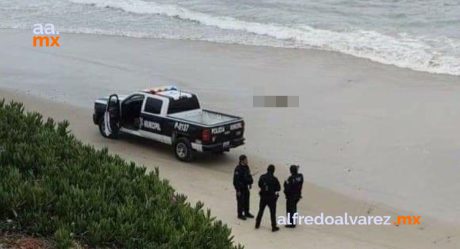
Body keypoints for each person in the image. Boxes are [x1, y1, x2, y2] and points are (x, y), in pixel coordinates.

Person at [255, 164, 281, 232]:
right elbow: (279, 188)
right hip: (271, 198)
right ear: (273, 171)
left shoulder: (262, 177)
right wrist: (273, 189)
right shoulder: (275, 179)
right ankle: (273, 226)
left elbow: (259, 184)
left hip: (263, 196)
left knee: (261, 210)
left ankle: (257, 224)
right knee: (272, 213)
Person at [233, 154, 254, 220]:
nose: (247, 161)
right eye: (246, 160)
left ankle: (246, 212)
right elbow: (235, 181)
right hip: (240, 188)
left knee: (246, 200)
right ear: (242, 161)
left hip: (245, 187)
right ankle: (240, 214)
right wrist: (238, 190)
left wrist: (250, 183)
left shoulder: (247, 167)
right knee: (240, 202)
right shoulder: (238, 169)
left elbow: (249, 175)